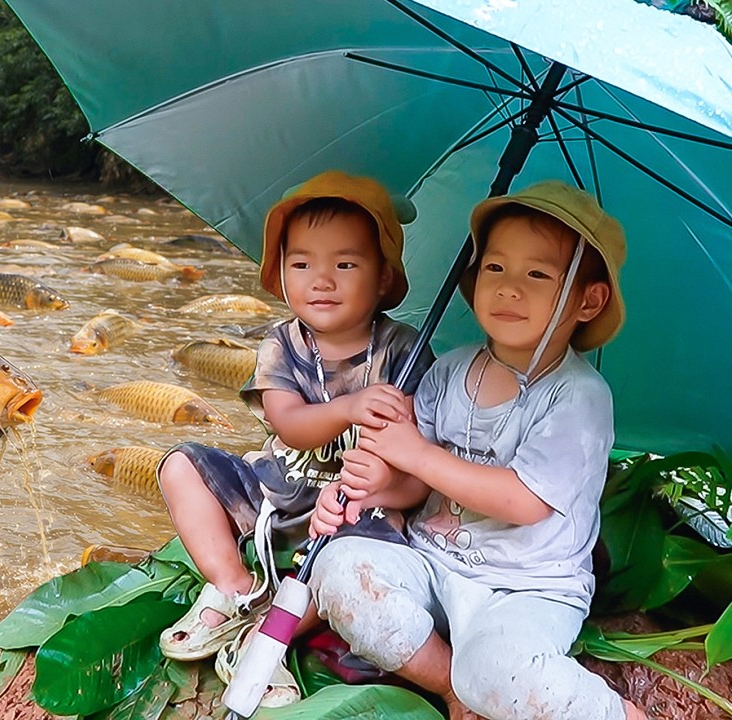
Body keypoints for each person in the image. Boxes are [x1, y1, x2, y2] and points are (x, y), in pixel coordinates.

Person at [308, 181, 646, 720]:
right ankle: (449, 685)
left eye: (537, 274)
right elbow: (417, 486)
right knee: (343, 568)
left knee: (494, 669)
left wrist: (416, 453)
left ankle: (616, 714)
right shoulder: (451, 369)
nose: (510, 288)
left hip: (526, 589)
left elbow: (522, 501)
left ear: (589, 300)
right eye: (495, 268)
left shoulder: (578, 397)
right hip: (432, 562)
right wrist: (374, 485)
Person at [155, 171, 432, 706]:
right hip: (276, 487)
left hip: (355, 509)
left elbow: (418, 460)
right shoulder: (283, 342)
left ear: (382, 279)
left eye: (345, 265)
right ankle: (235, 586)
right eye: (301, 264)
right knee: (180, 466)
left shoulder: (405, 353)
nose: (321, 281)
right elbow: (288, 423)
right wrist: (350, 406)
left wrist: (387, 475)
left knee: (364, 552)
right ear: (281, 273)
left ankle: (275, 631)